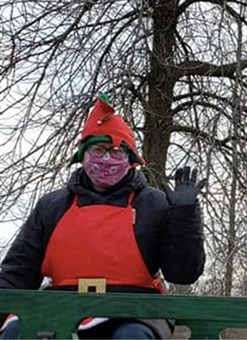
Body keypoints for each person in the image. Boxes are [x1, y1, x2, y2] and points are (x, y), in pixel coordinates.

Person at [0, 95, 206, 339]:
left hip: (134, 310)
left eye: (117, 152)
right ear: (83, 155)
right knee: (19, 330)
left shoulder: (154, 204)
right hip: (63, 305)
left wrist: (184, 216)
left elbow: (183, 273)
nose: (107, 158)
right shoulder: (53, 206)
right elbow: (18, 273)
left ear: (130, 161)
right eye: (99, 150)